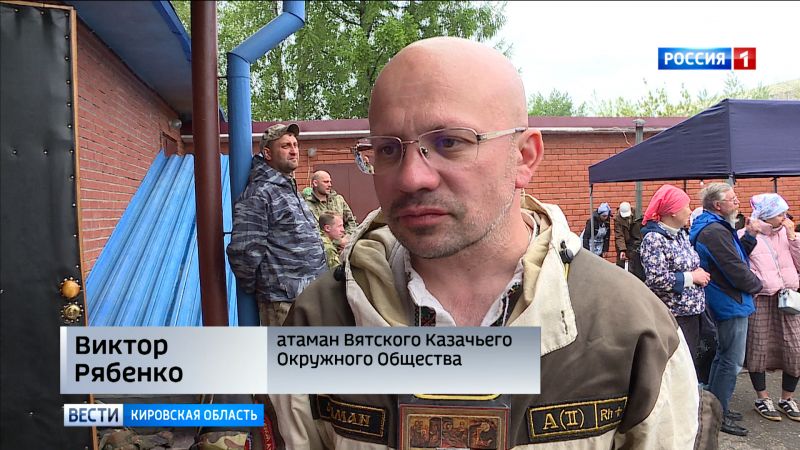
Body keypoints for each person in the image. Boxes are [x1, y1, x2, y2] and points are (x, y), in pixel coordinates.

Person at [269, 37, 706, 449]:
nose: (411, 177)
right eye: (388, 149)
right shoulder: (318, 320)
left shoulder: (632, 330)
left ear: (524, 157)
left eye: (450, 142)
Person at [226, 123, 326, 326]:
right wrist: (267, 288)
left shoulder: (288, 189)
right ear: (268, 153)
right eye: (285, 146)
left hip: (311, 296)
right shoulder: (260, 193)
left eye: (295, 145)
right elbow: (244, 252)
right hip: (284, 304)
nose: (294, 151)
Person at [689, 182, 763, 436]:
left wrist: (750, 236)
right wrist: (758, 285)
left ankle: (716, 407)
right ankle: (716, 415)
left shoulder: (717, 227)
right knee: (731, 360)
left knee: (724, 357)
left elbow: (736, 257)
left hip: (729, 299)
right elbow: (734, 268)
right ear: (717, 205)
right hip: (730, 301)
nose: (737, 202)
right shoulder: (714, 231)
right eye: (732, 199)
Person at [737, 194, 800, 422]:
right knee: (759, 347)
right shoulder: (745, 235)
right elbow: (740, 265)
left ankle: (787, 398)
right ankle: (762, 397)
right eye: (780, 213)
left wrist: (793, 238)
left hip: (788, 298)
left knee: (795, 348)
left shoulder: (789, 234)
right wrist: (757, 283)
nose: (785, 217)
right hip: (761, 298)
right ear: (766, 214)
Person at [639, 185, 710, 372]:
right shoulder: (654, 239)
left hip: (692, 312)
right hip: (674, 316)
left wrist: (696, 272)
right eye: (685, 206)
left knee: (690, 364)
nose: (690, 211)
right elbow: (656, 279)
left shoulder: (680, 235)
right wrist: (692, 277)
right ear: (672, 211)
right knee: (678, 367)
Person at [303, 170, 358, 236]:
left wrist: (347, 237)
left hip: (345, 240)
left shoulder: (338, 199)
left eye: (330, 182)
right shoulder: (307, 205)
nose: (330, 185)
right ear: (315, 183)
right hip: (323, 241)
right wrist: (334, 240)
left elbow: (351, 222)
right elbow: (313, 230)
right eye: (326, 182)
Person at [614, 201, 645, 280]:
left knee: (637, 265)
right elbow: (619, 235)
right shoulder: (617, 219)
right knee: (621, 264)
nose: (626, 218)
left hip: (637, 241)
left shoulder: (637, 214)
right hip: (625, 241)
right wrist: (622, 250)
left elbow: (642, 228)